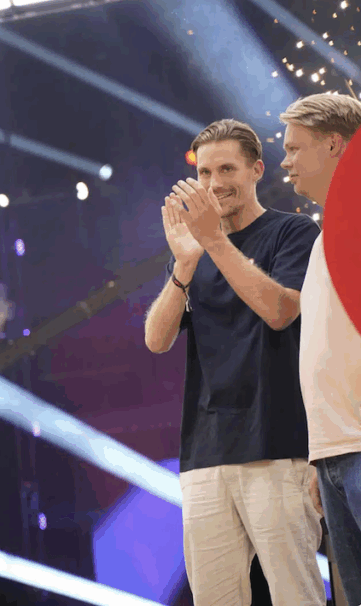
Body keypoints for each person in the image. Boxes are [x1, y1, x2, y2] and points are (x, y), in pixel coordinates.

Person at [143, 119, 323, 604]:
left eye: (227, 169)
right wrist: (184, 264)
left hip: (277, 445)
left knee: (295, 594)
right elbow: (156, 340)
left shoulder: (294, 231)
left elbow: (280, 311)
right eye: (204, 173)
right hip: (205, 453)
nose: (214, 183)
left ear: (256, 170)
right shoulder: (195, 250)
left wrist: (214, 243)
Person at [280, 93, 361, 603]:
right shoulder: (320, 241)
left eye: (294, 148)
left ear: (333, 144)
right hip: (336, 454)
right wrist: (320, 455)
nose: (285, 161)